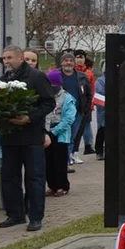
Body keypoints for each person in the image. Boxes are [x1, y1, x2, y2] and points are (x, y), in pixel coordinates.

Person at [0, 46, 55, 232]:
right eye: (4, 58)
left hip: (31, 137)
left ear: (21, 58)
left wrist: (29, 117)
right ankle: (15, 214)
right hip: (10, 137)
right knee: (9, 177)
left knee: (34, 178)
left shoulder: (36, 77)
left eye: (9, 57)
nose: (6, 61)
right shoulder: (3, 80)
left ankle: (36, 217)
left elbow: (49, 102)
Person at [44, 69, 77, 197]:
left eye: (54, 85)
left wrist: (55, 131)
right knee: (48, 162)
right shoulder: (46, 96)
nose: (52, 88)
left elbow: (69, 118)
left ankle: (62, 186)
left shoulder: (67, 98)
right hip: (46, 132)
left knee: (59, 162)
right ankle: (51, 185)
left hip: (60, 134)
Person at [58, 53, 92, 167]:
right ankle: (62, 159)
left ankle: (68, 158)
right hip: (60, 113)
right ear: (62, 62)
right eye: (66, 60)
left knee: (72, 137)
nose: (68, 63)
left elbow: (88, 94)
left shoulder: (82, 76)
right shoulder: (56, 75)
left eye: (71, 60)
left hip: (77, 113)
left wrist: (85, 109)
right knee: (62, 136)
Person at [74, 50, 97, 156]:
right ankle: (73, 150)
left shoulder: (88, 73)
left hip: (86, 104)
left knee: (86, 125)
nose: (79, 59)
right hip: (74, 104)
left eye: (81, 57)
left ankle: (88, 145)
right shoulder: (71, 72)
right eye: (77, 57)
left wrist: (91, 103)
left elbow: (92, 89)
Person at [94, 61, 107, 161]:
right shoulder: (100, 81)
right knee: (102, 130)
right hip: (103, 109)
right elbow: (100, 93)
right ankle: (99, 151)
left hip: (114, 109)